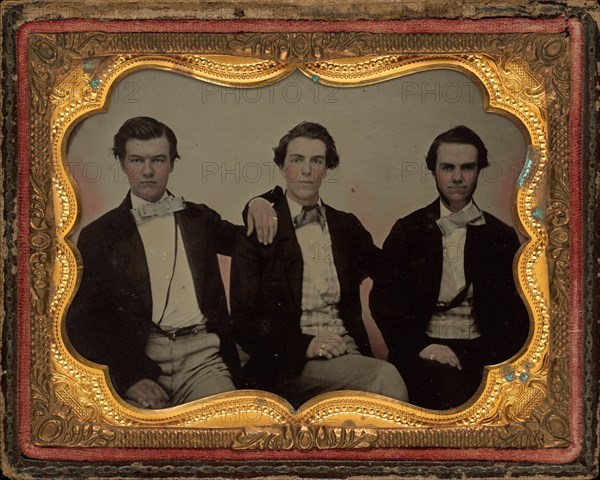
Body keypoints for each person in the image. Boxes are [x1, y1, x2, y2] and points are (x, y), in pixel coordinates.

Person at [66, 116, 277, 409]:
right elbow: (85, 323)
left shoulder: (199, 219)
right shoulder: (100, 235)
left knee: (230, 428)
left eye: (159, 160)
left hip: (203, 360)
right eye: (137, 160)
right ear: (122, 162)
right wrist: (130, 377)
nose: (148, 171)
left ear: (173, 163)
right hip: (139, 356)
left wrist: (258, 202)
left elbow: (252, 243)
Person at [230, 121, 409, 408]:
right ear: (281, 166)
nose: (305, 170)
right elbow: (244, 322)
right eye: (296, 160)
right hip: (290, 362)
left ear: (327, 168)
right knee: (384, 379)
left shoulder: (345, 225)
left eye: (316, 161)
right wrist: (306, 345)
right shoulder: (258, 228)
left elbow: (392, 273)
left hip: (347, 351)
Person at [370, 125, 529, 410]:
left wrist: (498, 359)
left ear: (479, 170)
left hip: (485, 354)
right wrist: (421, 346)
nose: (457, 177)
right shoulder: (409, 229)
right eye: (447, 167)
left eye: (467, 167)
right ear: (433, 171)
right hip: (424, 349)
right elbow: (384, 299)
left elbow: (517, 311)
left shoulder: (500, 235)